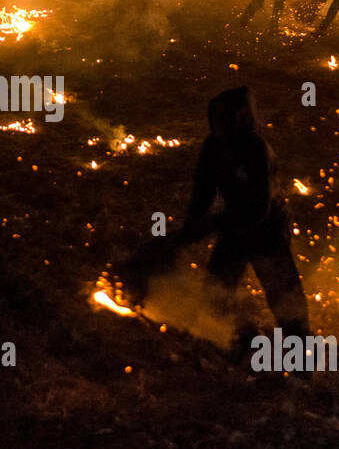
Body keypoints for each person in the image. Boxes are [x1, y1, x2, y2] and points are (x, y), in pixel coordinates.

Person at [127, 87, 310, 338]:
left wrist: (213, 224)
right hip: (235, 227)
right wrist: (191, 228)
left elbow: (258, 209)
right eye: (216, 119)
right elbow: (203, 189)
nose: (218, 126)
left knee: (286, 301)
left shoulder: (257, 150)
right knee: (216, 293)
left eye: (225, 120)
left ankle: (299, 363)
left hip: (267, 231)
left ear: (240, 120)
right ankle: (231, 341)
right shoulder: (213, 146)